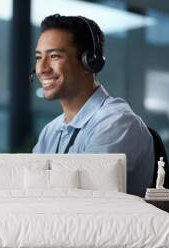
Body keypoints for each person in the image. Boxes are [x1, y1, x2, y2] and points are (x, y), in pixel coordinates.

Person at [32, 14, 154, 196]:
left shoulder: (116, 123)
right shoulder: (51, 132)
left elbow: (85, 200)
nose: (42, 68)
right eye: (38, 57)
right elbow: (28, 190)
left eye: (54, 56)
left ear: (89, 61)